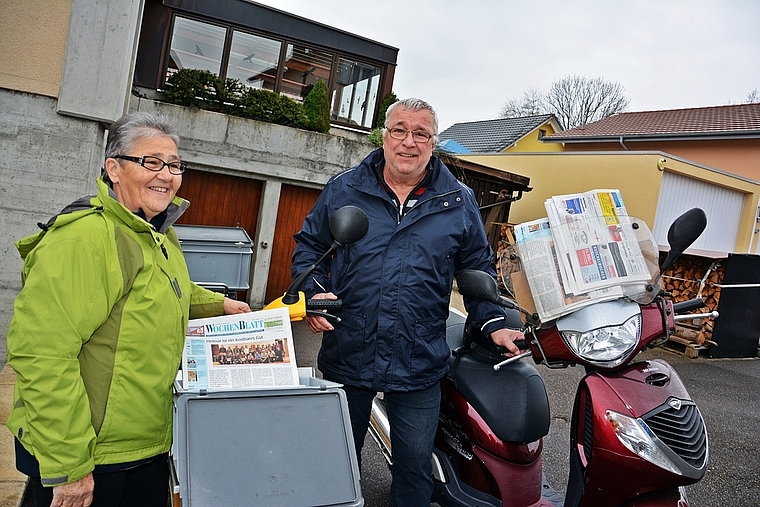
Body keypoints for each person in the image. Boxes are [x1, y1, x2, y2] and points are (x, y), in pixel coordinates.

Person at [6, 111, 251, 507]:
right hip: (94, 459)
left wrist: (219, 304)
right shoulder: (85, 239)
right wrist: (69, 466)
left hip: (144, 449)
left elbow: (170, 288)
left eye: (174, 165)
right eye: (150, 162)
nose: (166, 175)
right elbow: (42, 355)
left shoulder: (157, 233)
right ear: (114, 169)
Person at [291, 98, 524, 506]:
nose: (408, 142)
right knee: (334, 459)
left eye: (421, 133)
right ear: (384, 136)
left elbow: (477, 270)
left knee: (415, 466)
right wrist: (312, 294)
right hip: (349, 352)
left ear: (434, 142)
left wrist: (493, 320)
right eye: (400, 130)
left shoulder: (458, 200)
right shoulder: (344, 189)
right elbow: (310, 248)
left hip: (419, 359)